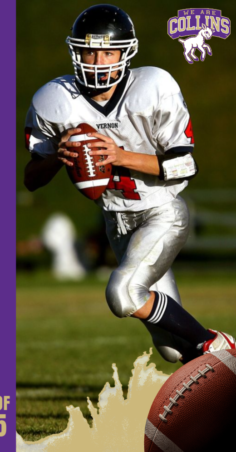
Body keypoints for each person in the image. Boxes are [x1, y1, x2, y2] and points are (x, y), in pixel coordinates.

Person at [24, 4, 235, 363]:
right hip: (117, 225)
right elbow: (31, 179)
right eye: (90, 50)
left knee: (123, 294)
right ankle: (217, 381)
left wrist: (119, 156)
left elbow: (185, 164)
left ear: (125, 53)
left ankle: (217, 345)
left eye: (108, 51)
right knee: (171, 349)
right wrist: (54, 158)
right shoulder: (54, 101)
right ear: (76, 51)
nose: (98, 60)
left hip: (161, 213)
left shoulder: (153, 85)